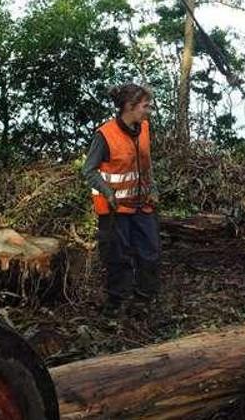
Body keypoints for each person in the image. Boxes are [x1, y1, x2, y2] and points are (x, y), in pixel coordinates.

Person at [82, 84, 160, 317]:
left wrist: (153, 188)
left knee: (150, 251)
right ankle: (116, 302)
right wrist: (108, 193)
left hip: (142, 204)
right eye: (145, 106)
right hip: (115, 209)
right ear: (129, 107)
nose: (149, 110)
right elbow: (89, 170)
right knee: (117, 256)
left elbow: (146, 165)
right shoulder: (105, 135)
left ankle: (144, 298)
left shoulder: (144, 128)